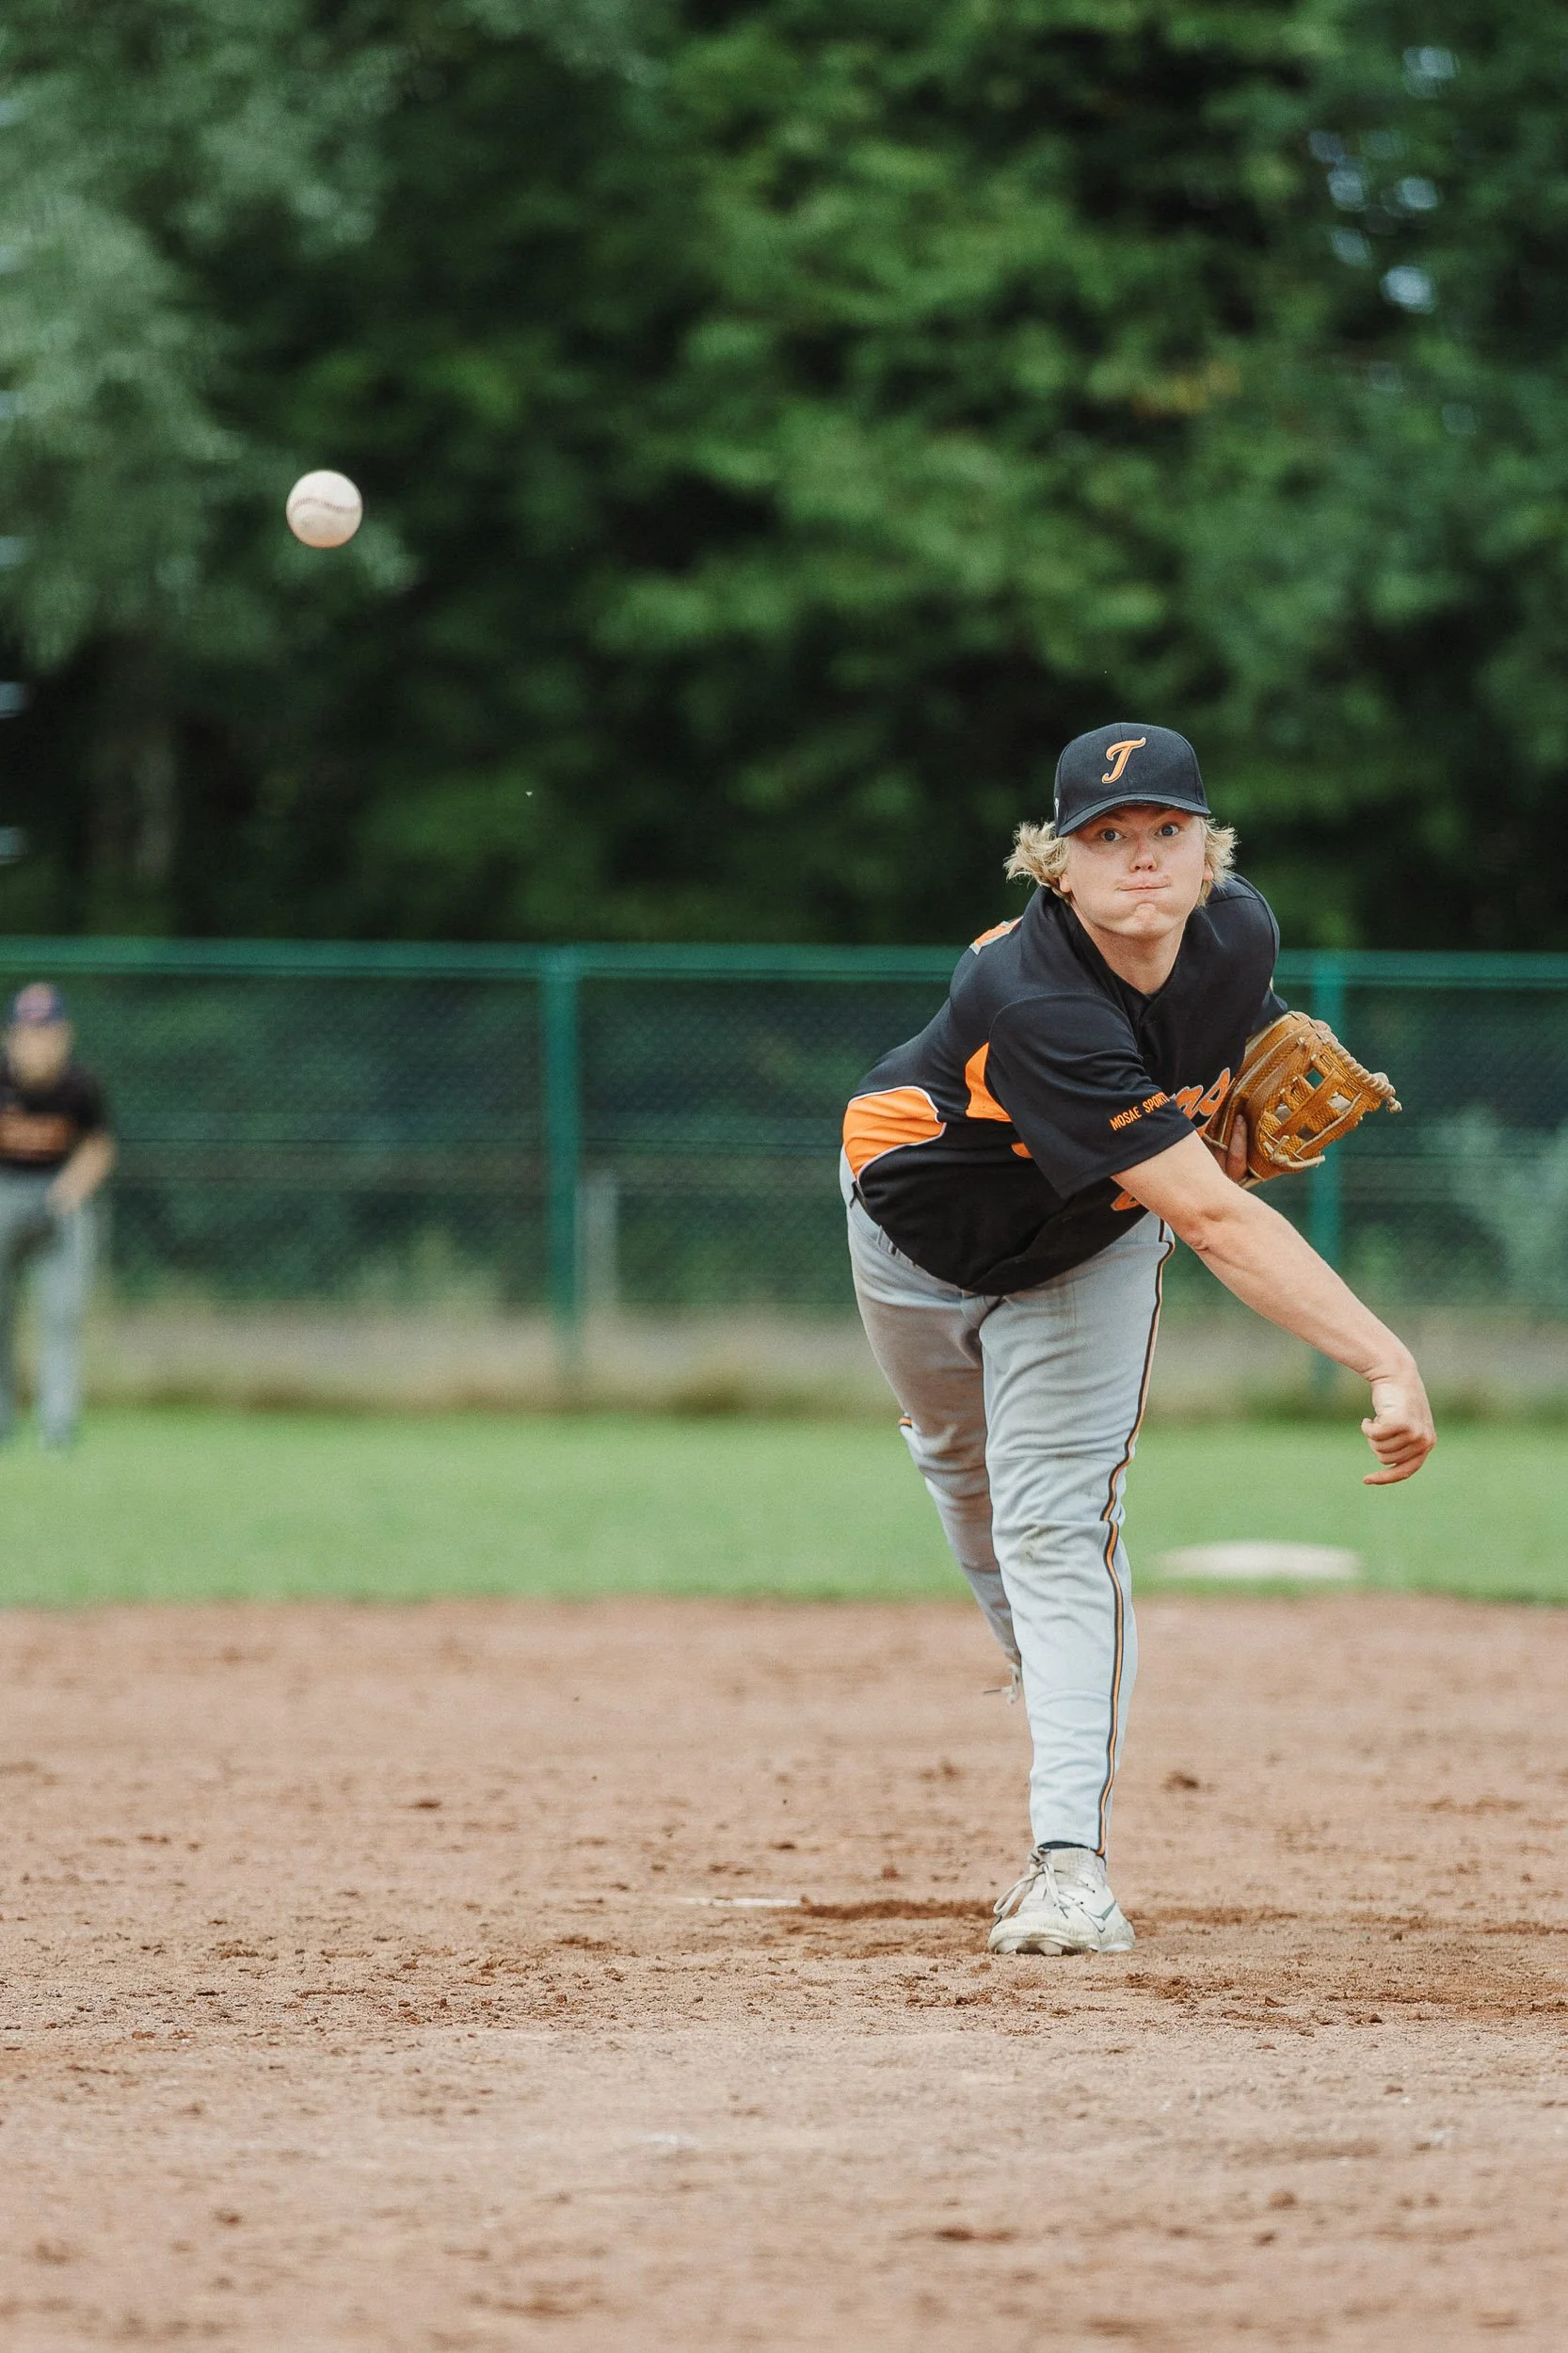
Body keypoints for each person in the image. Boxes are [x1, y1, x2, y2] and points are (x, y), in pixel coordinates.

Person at [840, 724, 1433, 1958]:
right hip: (908, 1228)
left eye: (1166, 830)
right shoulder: (1032, 993)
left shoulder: (1241, 933)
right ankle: (1060, 1667)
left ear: (1207, 851)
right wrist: (1384, 1355)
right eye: (1104, 837)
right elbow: (1215, 1216)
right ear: (1054, 866)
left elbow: (1216, 1076)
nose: (1141, 858)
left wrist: (1235, 1062)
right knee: (961, 1474)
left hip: (1093, 1242)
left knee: (1055, 1525)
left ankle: (1068, 1865)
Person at [0, 983, 116, 1449]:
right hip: (4, 1191)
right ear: (11, 1035)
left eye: (46, 1033)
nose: (37, 1043)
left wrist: (67, 1194)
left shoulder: (79, 1085)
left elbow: (98, 1148)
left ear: (64, 1035)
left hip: (59, 1194)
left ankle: (58, 1424)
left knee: (62, 1314)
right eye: (28, 1032)